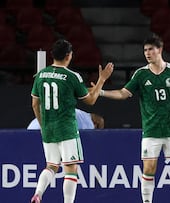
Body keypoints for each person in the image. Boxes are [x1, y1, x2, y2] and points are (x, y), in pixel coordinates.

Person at [99, 34, 170, 203]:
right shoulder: (140, 74)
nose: (147, 53)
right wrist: (102, 92)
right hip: (151, 131)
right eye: (145, 50)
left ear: (160, 50)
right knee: (149, 169)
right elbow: (123, 93)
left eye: (151, 49)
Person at [30, 39, 114, 203]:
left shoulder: (40, 75)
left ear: (52, 55)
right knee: (71, 169)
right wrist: (102, 79)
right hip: (67, 128)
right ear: (68, 56)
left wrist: (42, 125)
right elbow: (90, 100)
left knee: (51, 166)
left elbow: (34, 104)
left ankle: (38, 193)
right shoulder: (72, 76)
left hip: (48, 128)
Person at [27, 108, 105, 130]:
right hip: (41, 133)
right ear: (96, 123)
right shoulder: (88, 122)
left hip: (31, 129)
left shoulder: (78, 113)